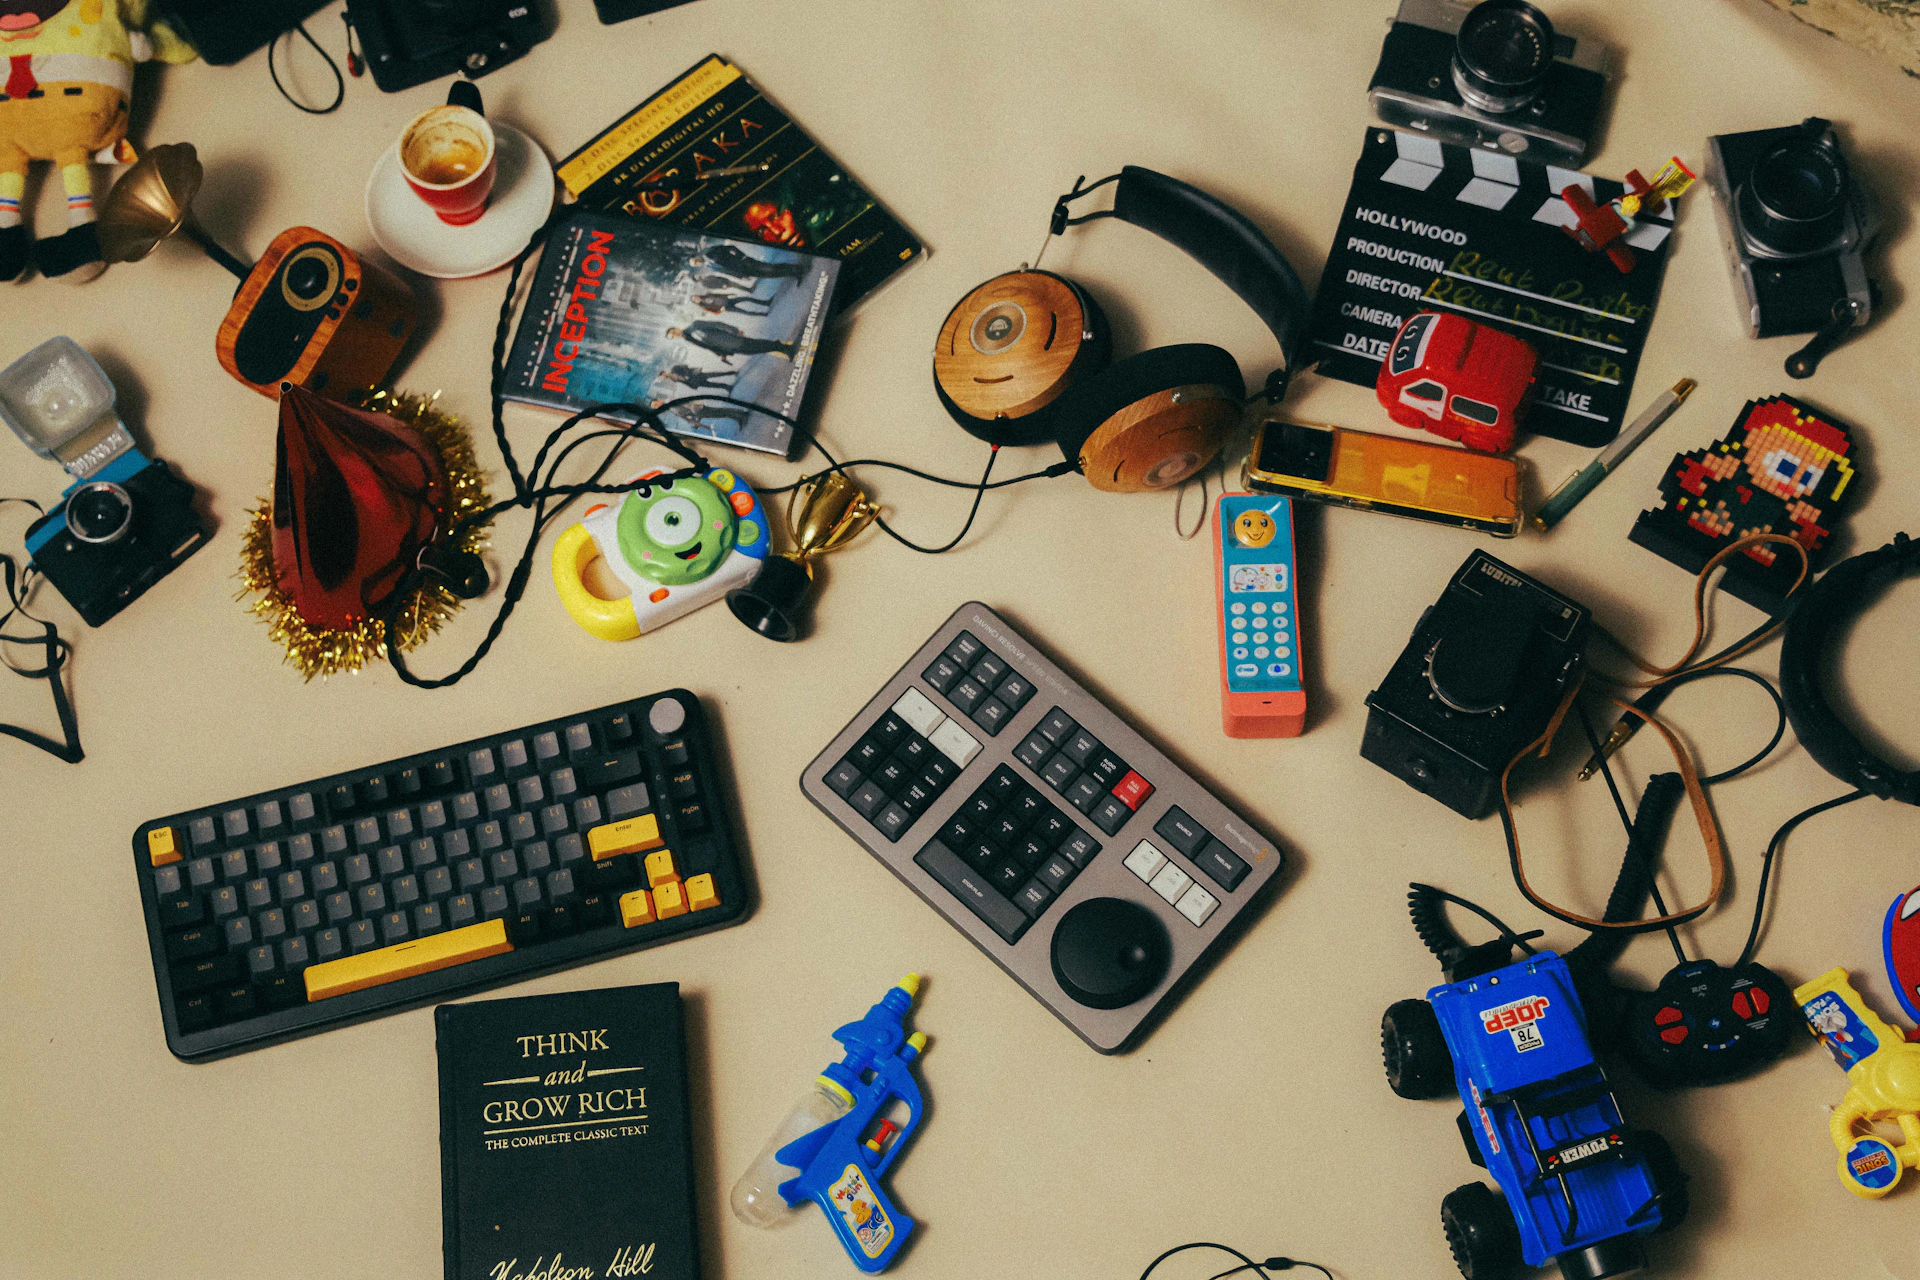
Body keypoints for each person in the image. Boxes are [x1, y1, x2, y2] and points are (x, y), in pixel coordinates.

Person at [666, 322, 796, 362]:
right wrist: (720, 354)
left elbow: (716, 324)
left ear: (676, 328)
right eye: (673, 336)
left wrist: (734, 330)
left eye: (674, 332)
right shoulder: (688, 338)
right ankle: (779, 346)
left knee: (756, 345)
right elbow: (707, 346)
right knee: (755, 350)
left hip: (730, 339)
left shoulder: (694, 326)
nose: (675, 334)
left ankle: (782, 347)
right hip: (728, 348)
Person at [693, 243, 808, 281]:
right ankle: (794, 274)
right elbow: (726, 272)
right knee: (769, 275)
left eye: (696, 261)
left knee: (770, 268)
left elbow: (731, 247)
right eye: (696, 264)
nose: (698, 264)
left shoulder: (711, 251)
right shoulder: (710, 266)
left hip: (745, 262)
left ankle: (796, 268)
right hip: (743, 270)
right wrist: (741, 276)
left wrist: (742, 256)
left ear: (698, 257)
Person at [659, 364, 738, 390]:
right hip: (695, 382)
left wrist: (686, 375)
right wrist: (692, 386)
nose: (664, 376)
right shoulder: (673, 379)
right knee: (711, 385)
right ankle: (727, 387)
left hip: (696, 375)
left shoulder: (674, 368)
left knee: (715, 374)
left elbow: (685, 366)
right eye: (663, 377)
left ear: (665, 372)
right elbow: (683, 382)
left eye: (663, 375)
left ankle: (731, 373)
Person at [693, 291, 772, 317]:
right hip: (726, 307)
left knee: (746, 298)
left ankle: (766, 303)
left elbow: (718, 294)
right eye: (695, 300)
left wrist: (729, 294)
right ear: (696, 302)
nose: (697, 298)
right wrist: (721, 310)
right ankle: (762, 314)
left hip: (728, 300)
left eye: (696, 297)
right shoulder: (703, 306)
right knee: (744, 312)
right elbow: (714, 312)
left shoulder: (707, 294)